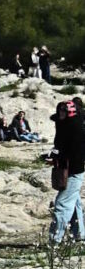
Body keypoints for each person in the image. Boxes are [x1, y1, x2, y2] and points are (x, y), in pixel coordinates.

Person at [49, 101, 85, 243]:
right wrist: (54, 155)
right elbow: (61, 147)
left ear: (70, 113)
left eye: (63, 112)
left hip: (73, 171)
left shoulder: (76, 131)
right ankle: (79, 234)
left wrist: (58, 156)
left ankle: (55, 241)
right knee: (74, 203)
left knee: (62, 204)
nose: (61, 114)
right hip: (70, 169)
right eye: (60, 111)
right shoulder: (66, 126)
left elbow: (75, 154)